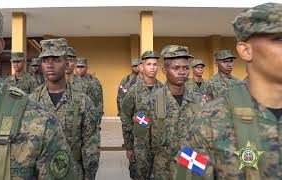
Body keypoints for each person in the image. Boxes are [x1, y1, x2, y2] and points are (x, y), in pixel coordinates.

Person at [0, 1, 78, 179]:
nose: (50, 65)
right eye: (46, 60)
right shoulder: (33, 94)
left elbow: (90, 137)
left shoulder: (39, 122)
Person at [191, 2, 282, 180]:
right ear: (246, 51)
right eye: (279, 39)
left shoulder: (236, 82)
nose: (229, 64)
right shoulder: (207, 122)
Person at [29, 38, 100, 180]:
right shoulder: (31, 101)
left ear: (67, 63)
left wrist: (89, 176)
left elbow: (91, 147)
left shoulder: (83, 102)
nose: (49, 65)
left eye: (56, 60)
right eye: (45, 60)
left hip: (73, 172)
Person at [137, 45, 201, 179]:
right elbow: (141, 145)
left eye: (185, 68)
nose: (182, 72)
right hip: (163, 173)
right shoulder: (148, 103)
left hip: (192, 172)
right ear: (164, 70)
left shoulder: (200, 103)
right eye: (176, 68)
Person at [121, 50, 163, 179]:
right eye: (149, 64)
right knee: (139, 175)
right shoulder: (133, 91)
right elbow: (125, 117)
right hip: (139, 145)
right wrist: (129, 147)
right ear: (141, 67)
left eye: (155, 64)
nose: (152, 67)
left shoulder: (163, 90)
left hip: (158, 145)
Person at [76, 58, 104, 124]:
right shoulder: (71, 80)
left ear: (86, 68)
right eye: (78, 67)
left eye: (82, 67)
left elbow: (98, 102)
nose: (79, 69)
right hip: (75, 116)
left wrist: (98, 119)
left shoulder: (93, 81)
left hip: (89, 115)